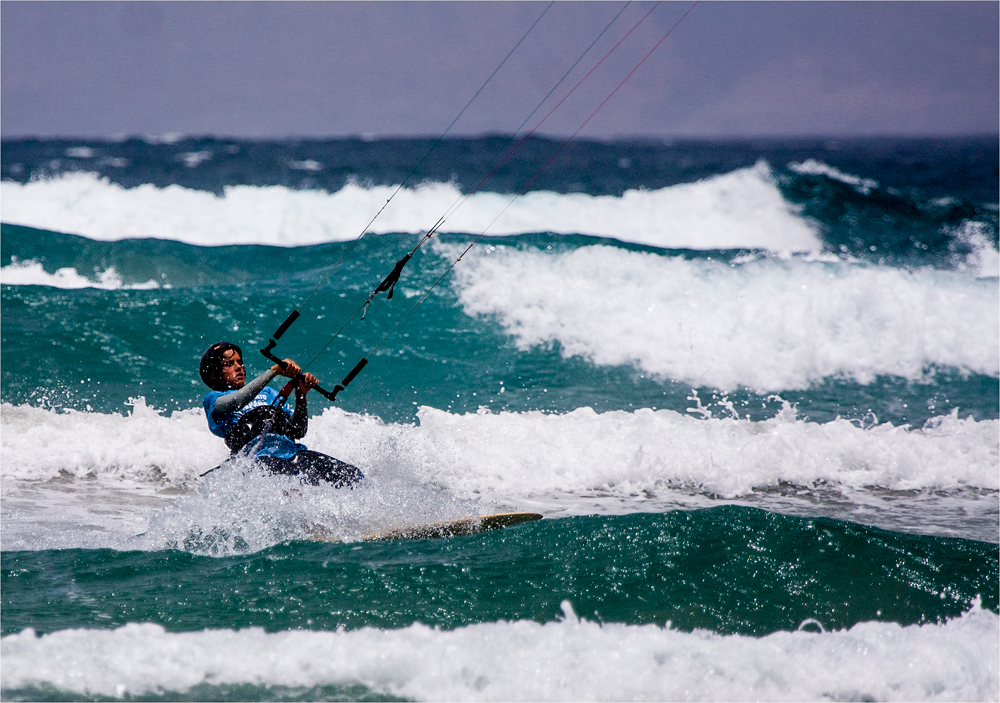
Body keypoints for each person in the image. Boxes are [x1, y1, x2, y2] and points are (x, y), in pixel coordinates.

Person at [199, 341, 363, 487]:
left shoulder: (268, 393)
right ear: (213, 374)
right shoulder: (214, 399)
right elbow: (237, 401)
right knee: (291, 485)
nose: (238, 367)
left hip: (292, 453)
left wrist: (301, 395)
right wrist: (274, 371)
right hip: (257, 460)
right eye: (229, 364)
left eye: (240, 362)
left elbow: (298, 431)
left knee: (353, 475)